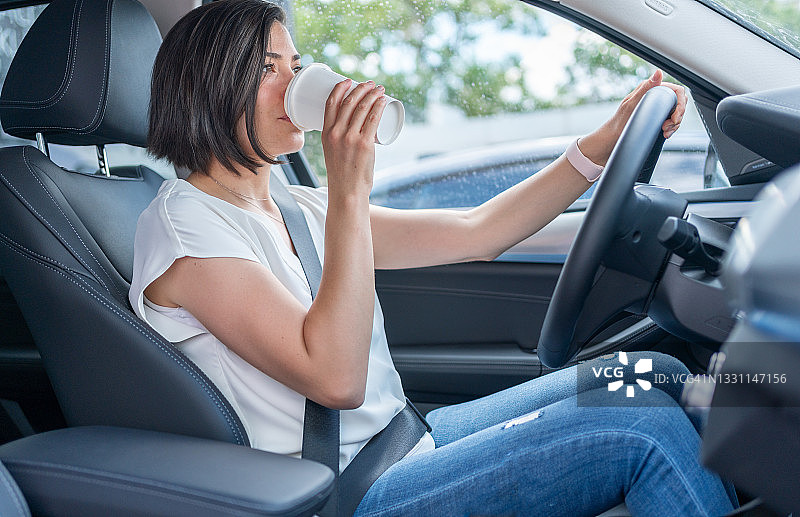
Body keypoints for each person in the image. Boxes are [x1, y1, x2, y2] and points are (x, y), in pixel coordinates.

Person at [130, 1, 738, 515]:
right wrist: (349, 189)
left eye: (295, 65)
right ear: (209, 86)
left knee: (654, 377)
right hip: (347, 489)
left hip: (406, 438)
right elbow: (336, 380)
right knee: (643, 431)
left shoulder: (295, 205)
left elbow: (480, 230)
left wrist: (602, 143)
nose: (294, 83)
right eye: (269, 69)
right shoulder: (185, 227)